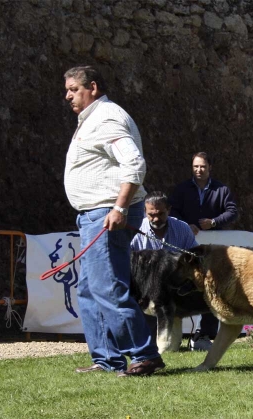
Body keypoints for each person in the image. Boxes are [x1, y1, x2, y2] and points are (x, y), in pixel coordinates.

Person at [63, 65, 164, 376]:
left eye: (73, 89)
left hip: (106, 212)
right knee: (91, 289)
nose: (68, 95)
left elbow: (134, 163)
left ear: (92, 87)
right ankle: (107, 359)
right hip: (96, 213)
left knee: (107, 287)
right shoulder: (92, 120)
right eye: (66, 90)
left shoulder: (106, 118)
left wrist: (119, 208)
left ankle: (145, 355)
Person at [169, 152, 238, 349]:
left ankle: (206, 335)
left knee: (212, 287)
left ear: (210, 168)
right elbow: (172, 210)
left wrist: (214, 222)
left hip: (214, 251)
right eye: (195, 167)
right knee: (185, 286)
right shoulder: (182, 189)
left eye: (203, 167)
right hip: (187, 248)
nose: (199, 170)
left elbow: (232, 211)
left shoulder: (222, 189)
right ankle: (175, 336)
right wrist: (185, 225)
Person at [130, 191, 199, 348]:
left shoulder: (182, 228)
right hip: (144, 289)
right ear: (144, 212)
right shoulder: (135, 230)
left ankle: (203, 336)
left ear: (169, 209)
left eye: (161, 214)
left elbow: (193, 258)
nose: (155, 219)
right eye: (151, 215)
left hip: (175, 287)